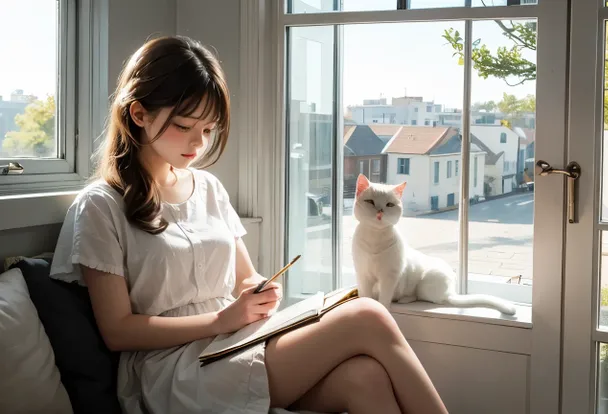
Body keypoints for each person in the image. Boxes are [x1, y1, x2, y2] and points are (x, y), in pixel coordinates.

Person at [48, 35, 448, 414]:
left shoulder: (208, 189)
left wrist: (258, 292)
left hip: (234, 342)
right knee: (368, 315)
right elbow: (118, 331)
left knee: (367, 377)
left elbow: (245, 279)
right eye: (185, 126)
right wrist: (223, 320)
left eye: (207, 130)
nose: (198, 143)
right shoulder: (101, 206)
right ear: (138, 114)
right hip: (169, 370)